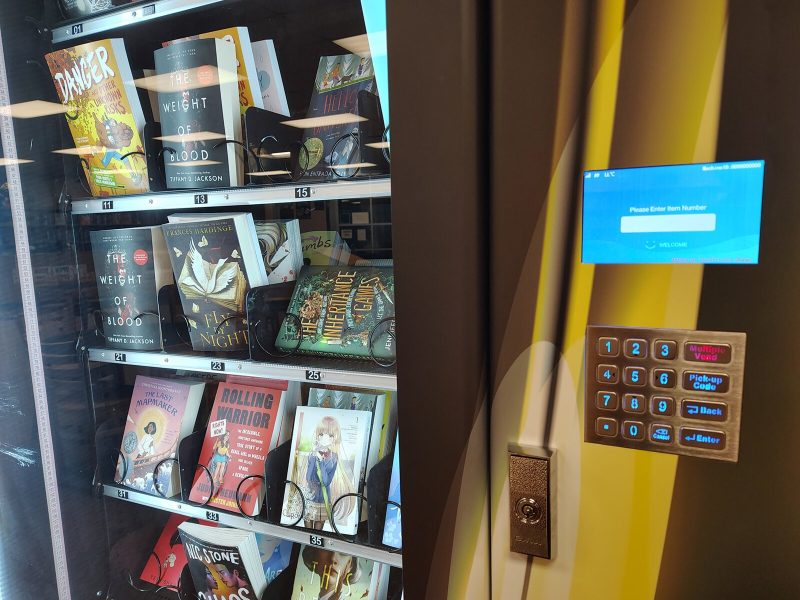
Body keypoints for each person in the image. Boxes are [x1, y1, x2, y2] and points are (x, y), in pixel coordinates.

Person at [303, 416, 355, 531]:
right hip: (310, 495)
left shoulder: (334, 458)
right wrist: (314, 458)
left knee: (319, 525)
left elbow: (325, 481)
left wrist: (321, 462)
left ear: (334, 438)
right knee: (307, 521)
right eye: (321, 434)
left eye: (330, 435)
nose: (325, 438)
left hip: (323, 497)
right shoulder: (312, 454)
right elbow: (308, 477)